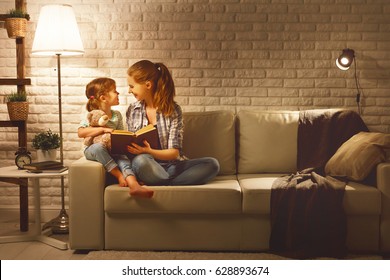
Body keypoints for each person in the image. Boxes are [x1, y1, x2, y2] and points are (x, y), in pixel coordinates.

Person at [125, 60, 220, 188]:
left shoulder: (173, 110)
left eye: (132, 86)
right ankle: (169, 181)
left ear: (148, 85)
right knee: (141, 161)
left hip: (172, 166)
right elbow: (131, 145)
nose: (129, 91)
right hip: (147, 164)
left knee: (212, 164)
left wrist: (149, 151)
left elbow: (174, 153)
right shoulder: (132, 110)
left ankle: (164, 182)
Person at [78, 77, 154, 198]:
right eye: (114, 91)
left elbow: (120, 134)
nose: (118, 93)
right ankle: (119, 175)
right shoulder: (92, 114)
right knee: (98, 148)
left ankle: (134, 185)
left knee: (123, 158)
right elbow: (81, 133)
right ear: (103, 97)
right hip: (93, 149)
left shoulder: (116, 115)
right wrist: (102, 129)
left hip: (112, 149)